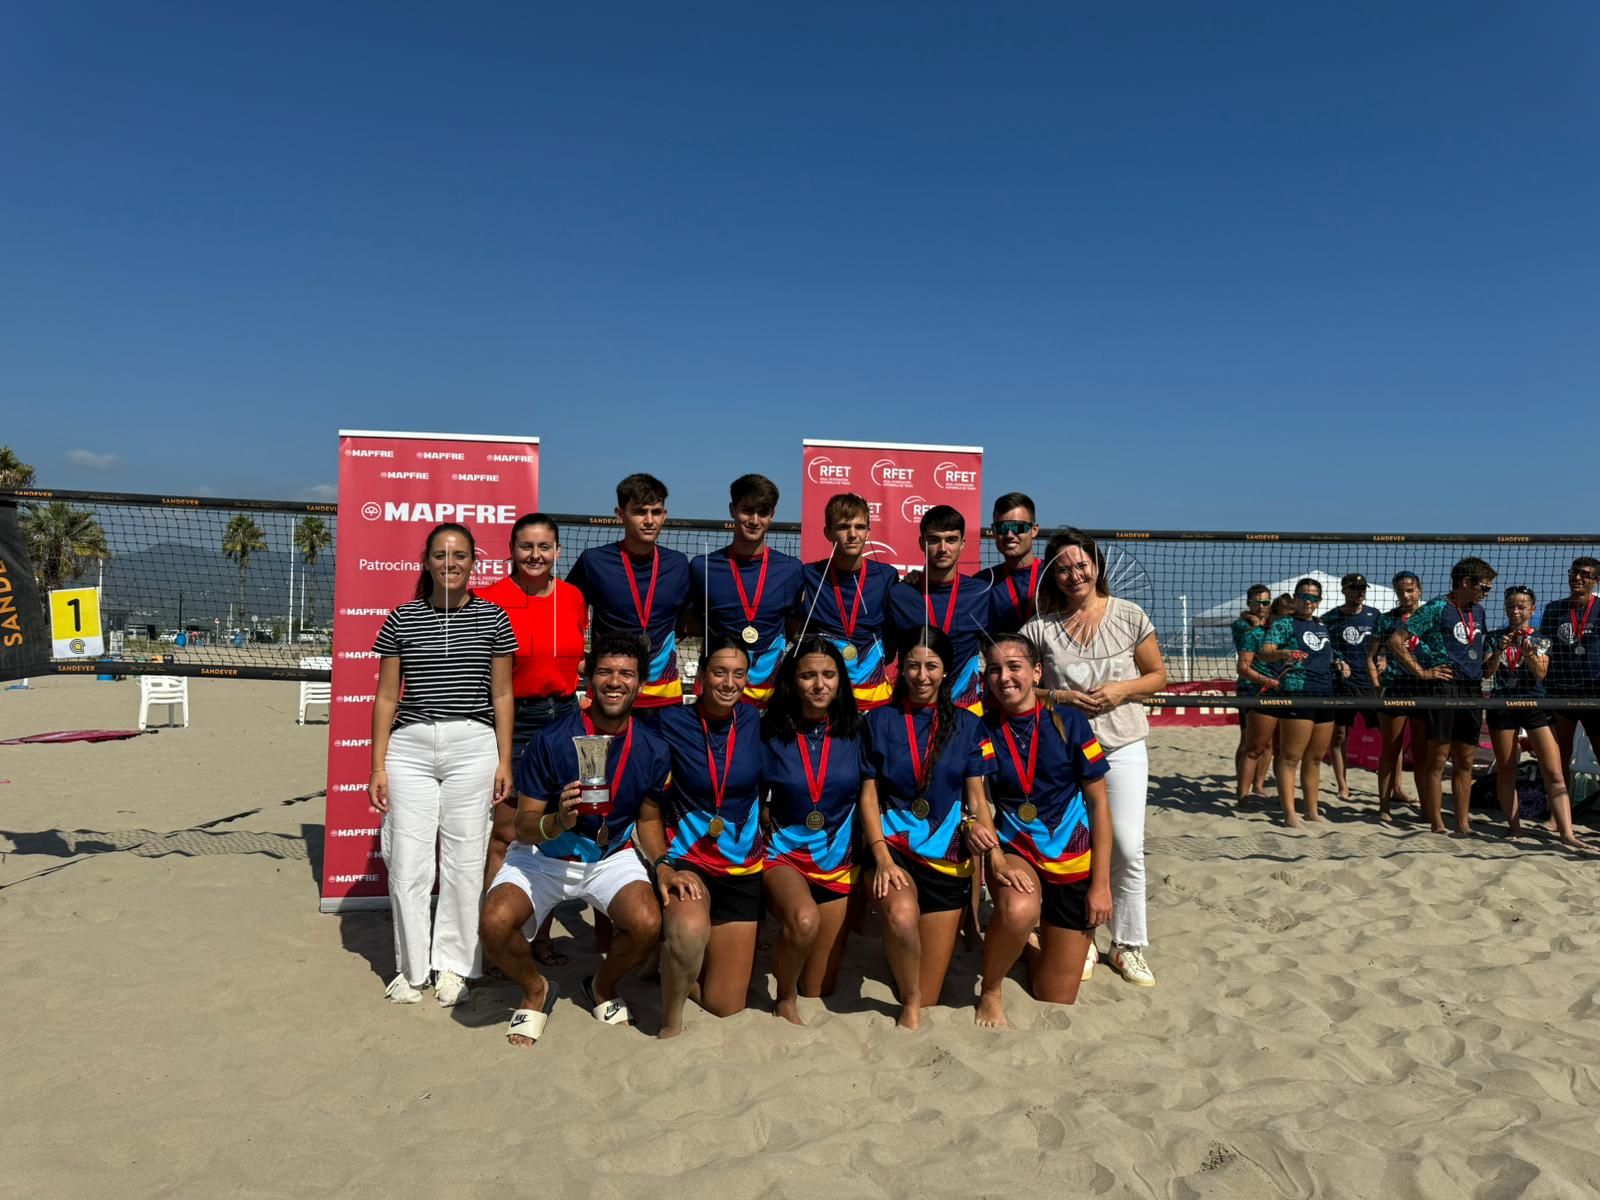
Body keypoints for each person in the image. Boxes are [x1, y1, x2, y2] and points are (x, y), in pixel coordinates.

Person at [479, 633, 672, 1045]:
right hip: (544, 855)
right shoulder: (550, 739)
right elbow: (524, 826)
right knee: (494, 923)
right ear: (589, 677)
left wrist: (663, 865)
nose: (615, 681)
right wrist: (559, 820)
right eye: (605, 671)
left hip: (607, 856)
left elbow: (649, 820)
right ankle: (535, 991)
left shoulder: (653, 747)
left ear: (641, 682)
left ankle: (601, 985)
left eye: (626, 673)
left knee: (647, 922)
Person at [369, 523, 516, 1007]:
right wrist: (377, 765)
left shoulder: (494, 619)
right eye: (440, 555)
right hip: (409, 748)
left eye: (459, 556)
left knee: (465, 862)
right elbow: (387, 696)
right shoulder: (400, 620)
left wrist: (504, 758)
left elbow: (502, 694)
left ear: (474, 562)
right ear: (426, 561)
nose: (449, 564)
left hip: (473, 746)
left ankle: (454, 966)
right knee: (408, 863)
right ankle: (412, 970)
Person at [1021, 528, 1166, 988]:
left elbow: (1158, 675)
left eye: (1080, 564)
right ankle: (1077, 938)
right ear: (1052, 575)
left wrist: (1122, 689)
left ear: (1096, 566)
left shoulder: (1129, 615)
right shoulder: (1040, 626)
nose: (1073, 574)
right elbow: (1021, 685)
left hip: (1122, 744)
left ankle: (1127, 945)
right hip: (1063, 751)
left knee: (1125, 846)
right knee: (1071, 846)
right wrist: (1058, 695)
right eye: (1062, 567)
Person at [858, 628, 998, 1030]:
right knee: (902, 917)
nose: (921, 675)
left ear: (946, 672)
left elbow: (976, 799)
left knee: (932, 984)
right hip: (895, 846)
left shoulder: (968, 726)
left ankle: (911, 971)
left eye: (931, 666)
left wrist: (993, 852)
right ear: (900, 670)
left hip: (945, 853)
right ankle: (911, 1002)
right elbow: (868, 796)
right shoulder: (879, 720)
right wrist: (881, 856)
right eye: (913, 666)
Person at [975, 635, 1113, 1028]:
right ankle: (992, 988)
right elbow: (978, 801)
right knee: (1019, 909)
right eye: (995, 669)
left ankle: (1030, 944)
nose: (1004, 677)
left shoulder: (1069, 721)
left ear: (1037, 672)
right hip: (1018, 849)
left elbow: (1099, 805)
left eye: (1014, 666)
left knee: (1055, 996)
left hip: (1071, 858)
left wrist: (1101, 884)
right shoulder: (982, 729)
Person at [636, 635, 766, 1038]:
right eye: (720, 672)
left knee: (726, 1006)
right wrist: (661, 864)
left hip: (742, 866)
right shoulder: (669, 722)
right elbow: (648, 807)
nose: (729, 682)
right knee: (690, 930)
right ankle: (670, 1019)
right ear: (701, 677)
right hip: (688, 858)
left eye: (738, 674)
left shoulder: (757, 722)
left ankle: (672, 959)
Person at [478, 513, 589, 966]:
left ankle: (539, 937)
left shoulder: (574, 597)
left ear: (558, 551)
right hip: (513, 719)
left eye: (544, 547)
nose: (535, 556)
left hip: (563, 717)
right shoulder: (487, 600)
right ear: (511, 549)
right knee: (505, 835)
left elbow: (575, 661)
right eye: (526, 546)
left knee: (549, 834)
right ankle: (498, 943)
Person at [761, 636, 866, 1023]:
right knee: (804, 921)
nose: (819, 684)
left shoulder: (858, 731)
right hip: (784, 853)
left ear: (841, 680)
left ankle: (796, 979)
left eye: (828, 674)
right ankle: (783, 996)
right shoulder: (770, 732)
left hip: (838, 860)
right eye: (808, 676)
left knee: (819, 988)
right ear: (793, 681)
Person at [566, 473, 691, 715]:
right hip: (611, 694)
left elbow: (687, 620)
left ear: (664, 515)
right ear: (620, 514)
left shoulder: (678, 564)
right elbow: (565, 615)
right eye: (639, 511)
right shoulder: (593, 561)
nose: (649, 520)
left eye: (656, 512)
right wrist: (580, 660)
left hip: (663, 697)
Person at [1388, 556, 1496, 835]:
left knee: (1466, 760)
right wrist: (1423, 673)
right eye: (1483, 587)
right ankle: (1436, 822)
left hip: (1472, 688)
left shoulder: (1479, 612)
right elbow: (1396, 641)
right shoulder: (1437, 607)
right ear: (1465, 583)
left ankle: (1462, 823)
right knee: (1437, 759)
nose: (1486, 593)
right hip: (1443, 688)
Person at [1484, 588, 1595, 852]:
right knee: (1507, 768)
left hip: (1534, 703)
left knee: (1554, 771)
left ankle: (1566, 832)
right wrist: (1500, 650)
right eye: (1511, 606)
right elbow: (1486, 671)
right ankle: (1514, 827)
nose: (1516, 611)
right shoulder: (1494, 637)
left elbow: (1541, 672)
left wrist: (1527, 651)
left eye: (1522, 607)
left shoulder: (1542, 637)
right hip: (1502, 703)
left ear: (1532, 610)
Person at [688, 474, 805, 706]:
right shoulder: (702, 567)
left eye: (762, 512)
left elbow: (793, 629)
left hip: (772, 696)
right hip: (720, 692)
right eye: (746, 510)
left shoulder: (791, 569)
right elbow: (691, 624)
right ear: (732, 510)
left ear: (772, 515)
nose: (754, 520)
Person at [887, 505, 1001, 713]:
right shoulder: (900, 595)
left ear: (962, 543)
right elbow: (885, 655)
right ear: (922, 543)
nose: (943, 548)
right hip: (913, 710)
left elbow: (996, 652)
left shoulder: (981, 593)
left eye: (951, 539)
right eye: (934, 540)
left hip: (964, 710)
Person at [797, 492, 901, 709]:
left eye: (860, 527)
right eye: (844, 527)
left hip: (873, 697)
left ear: (868, 532)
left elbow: (895, 634)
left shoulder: (886, 576)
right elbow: (791, 627)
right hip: (825, 698)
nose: (853, 534)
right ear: (828, 533)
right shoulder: (809, 575)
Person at [1255, 578, 1337, 827]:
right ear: (1296, 598)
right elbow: (1264, 652)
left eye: (1313, 598)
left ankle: (1312, 810)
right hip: (1297, 691)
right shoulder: (1284, 624)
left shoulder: (1322, 624)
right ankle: (1290, 813)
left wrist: (1339, 664)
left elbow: (1327, 654)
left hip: (1325, 692)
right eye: (1304, 597)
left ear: (1319, 601)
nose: (1308, 602)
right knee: (1290, 757)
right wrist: (1285, 653)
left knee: (1315, 758)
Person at [1538, 556, 1600, 794]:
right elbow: (1544, 649)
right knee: (1559, 755)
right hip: (1561, 690)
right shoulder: (1554, 609)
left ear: (1596, 580)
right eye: (1574, 572)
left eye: (1584, 574)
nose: (1576, 577)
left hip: (1593, 692)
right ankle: (1558, 814)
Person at [1368, 572, 1425, 823]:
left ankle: (1427, 807)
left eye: (1410, 590)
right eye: (1400, 591)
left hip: (1424, 690)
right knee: (1391, 749)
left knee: (1423, 753)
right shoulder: (1387, 620)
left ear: (1420, 590)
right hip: (1394, 688)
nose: (1406, 595)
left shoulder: (1429, 616)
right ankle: (1384, 806)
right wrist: (1376, 685)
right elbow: (1370, 656)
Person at [1323, 573, 1381, 800]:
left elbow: (1384, 642)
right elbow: (1324, 648)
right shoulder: (1330, 618)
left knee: (1386, 734)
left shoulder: (1374, 615)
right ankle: (1342, 784)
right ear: (1343, 590)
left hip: (1369, 684)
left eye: (1362, 589)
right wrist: (1336, 660)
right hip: (1343, 685)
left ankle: (1394, 786)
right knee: (1339, 736)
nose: (1359, 593)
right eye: (1354, 588)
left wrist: (1383, 657)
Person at [1238, 594, 1297, 805]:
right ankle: (1242, 795)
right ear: (1272, 615)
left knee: (1280, 750)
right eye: (1282, 617)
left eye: (1290, 618)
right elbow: (1243, 668)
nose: (1286, 623)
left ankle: (1265, 789)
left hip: (1290, 694)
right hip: (1262, 693)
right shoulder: (1254, 635)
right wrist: (1270, 682)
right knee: (1254, 747)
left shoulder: (1293, 635)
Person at [978, 492, 1042, 632]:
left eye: (1018, 527)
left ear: (1034, 530)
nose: (1009, 535)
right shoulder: (982, 581)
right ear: (994, 532)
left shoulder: (1054, 574)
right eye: (1001, 528)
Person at [1232, 584, 1273, 799]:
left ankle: (1259, 784)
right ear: (1249, 603)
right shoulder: (1240, 624)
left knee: (1269, 743)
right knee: (1248, 741)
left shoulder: (1274, 624)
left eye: (1265, 602)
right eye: (1257, 602)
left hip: (1273, 687)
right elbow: (1251, 650)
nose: (1261, 606)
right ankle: (1243, 786)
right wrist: (1256, 625)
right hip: (1249, 687)